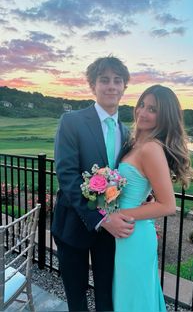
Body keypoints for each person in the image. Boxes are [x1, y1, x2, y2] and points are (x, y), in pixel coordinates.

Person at [52, 56, 135, 311]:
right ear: (93, 85)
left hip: (110, 235)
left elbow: (128, 177)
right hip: (74, 225)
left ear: (124, 87)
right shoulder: (72, 122)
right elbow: (67, 175)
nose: (111, 86)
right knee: (76, 300)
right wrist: (101, 218)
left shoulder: (127, 131)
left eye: (117, 80)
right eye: (104, 80)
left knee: (107, 299)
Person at [113, 84, 193, 312]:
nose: (142, 112)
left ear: (165, 117)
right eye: (142, 105)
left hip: (133, 234)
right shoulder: (135, 143)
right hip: (126, 230)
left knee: (135, 298)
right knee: (130, 294)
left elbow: (168, 205)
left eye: (152, 109)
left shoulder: (151, 148)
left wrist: (118, 214)